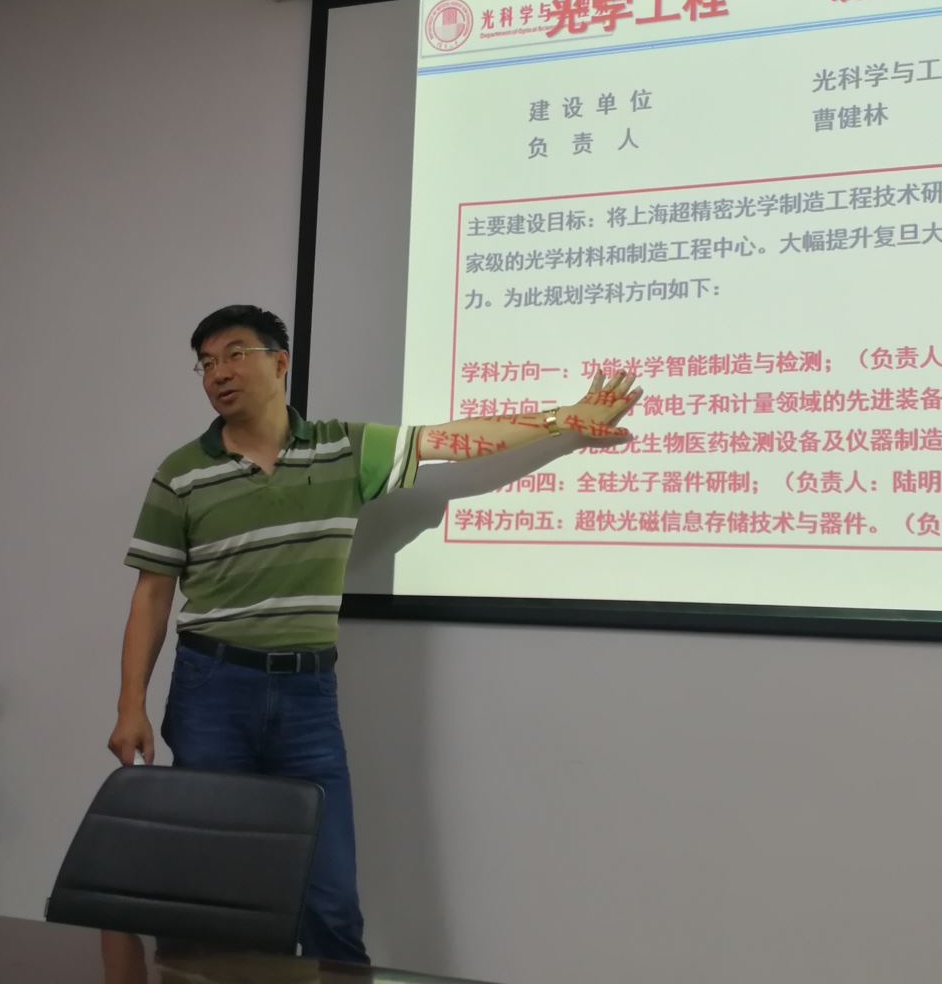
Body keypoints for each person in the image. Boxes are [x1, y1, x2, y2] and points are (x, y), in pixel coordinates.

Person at [106, 304, 639, 963]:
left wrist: (564, 420)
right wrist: (130, 704)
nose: (219, 373)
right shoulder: (181, 472)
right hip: (212, 690)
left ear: (279, 362)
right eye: (206, 363)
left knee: (329, 901)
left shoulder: (344, 448)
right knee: (207, 897)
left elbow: (452, 440)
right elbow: (152, 593)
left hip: (306, 698)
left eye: (235, 354)